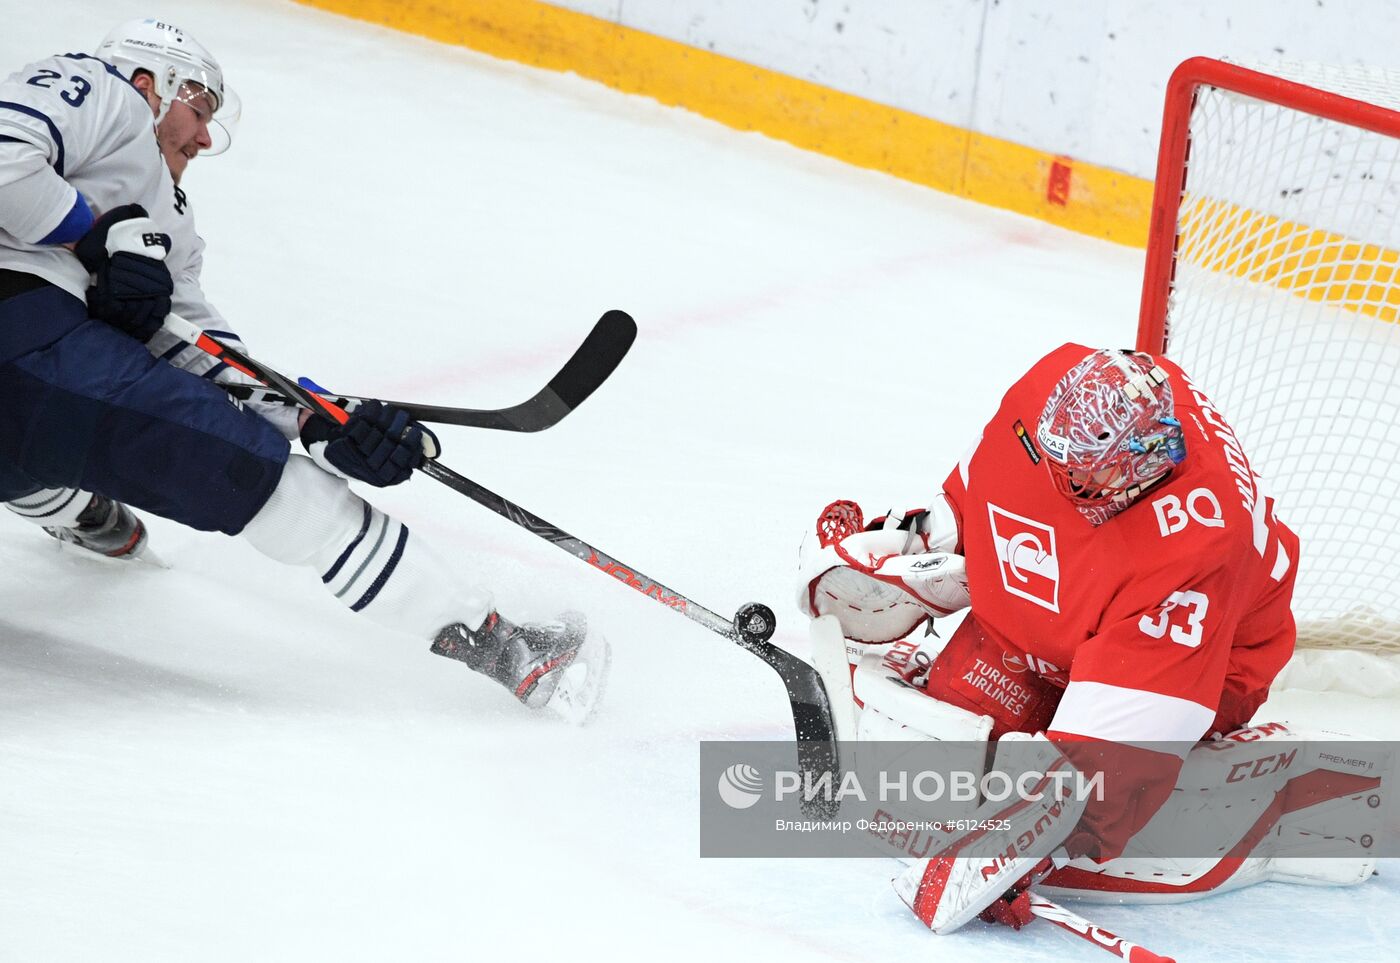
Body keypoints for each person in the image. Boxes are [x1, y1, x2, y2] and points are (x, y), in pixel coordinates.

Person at [0, 19, 607, 721]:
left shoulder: (171, 227)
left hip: (29, 388)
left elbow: (197, 345)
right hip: (25, 345)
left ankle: (71, 508)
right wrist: (88, 232)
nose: (203, 137)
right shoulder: (102, 93)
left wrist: (313, 417)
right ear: (149, 82)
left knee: (52, 433)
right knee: (277, 486)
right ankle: (513, 653)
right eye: (199, 107)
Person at [798, 344, 1383, 934]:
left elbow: (1115, 747)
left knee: (1067, 799)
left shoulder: (1199, 544)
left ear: (1148, 460)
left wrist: (1025, 847)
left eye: (1086, 470)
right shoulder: (1048, 394)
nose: (1064, 477)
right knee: (953, 760)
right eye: (1059, 459)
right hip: (1067, 621)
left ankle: (1233, 777)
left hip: (1212, 653)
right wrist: (927, 544)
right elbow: (985, 483)